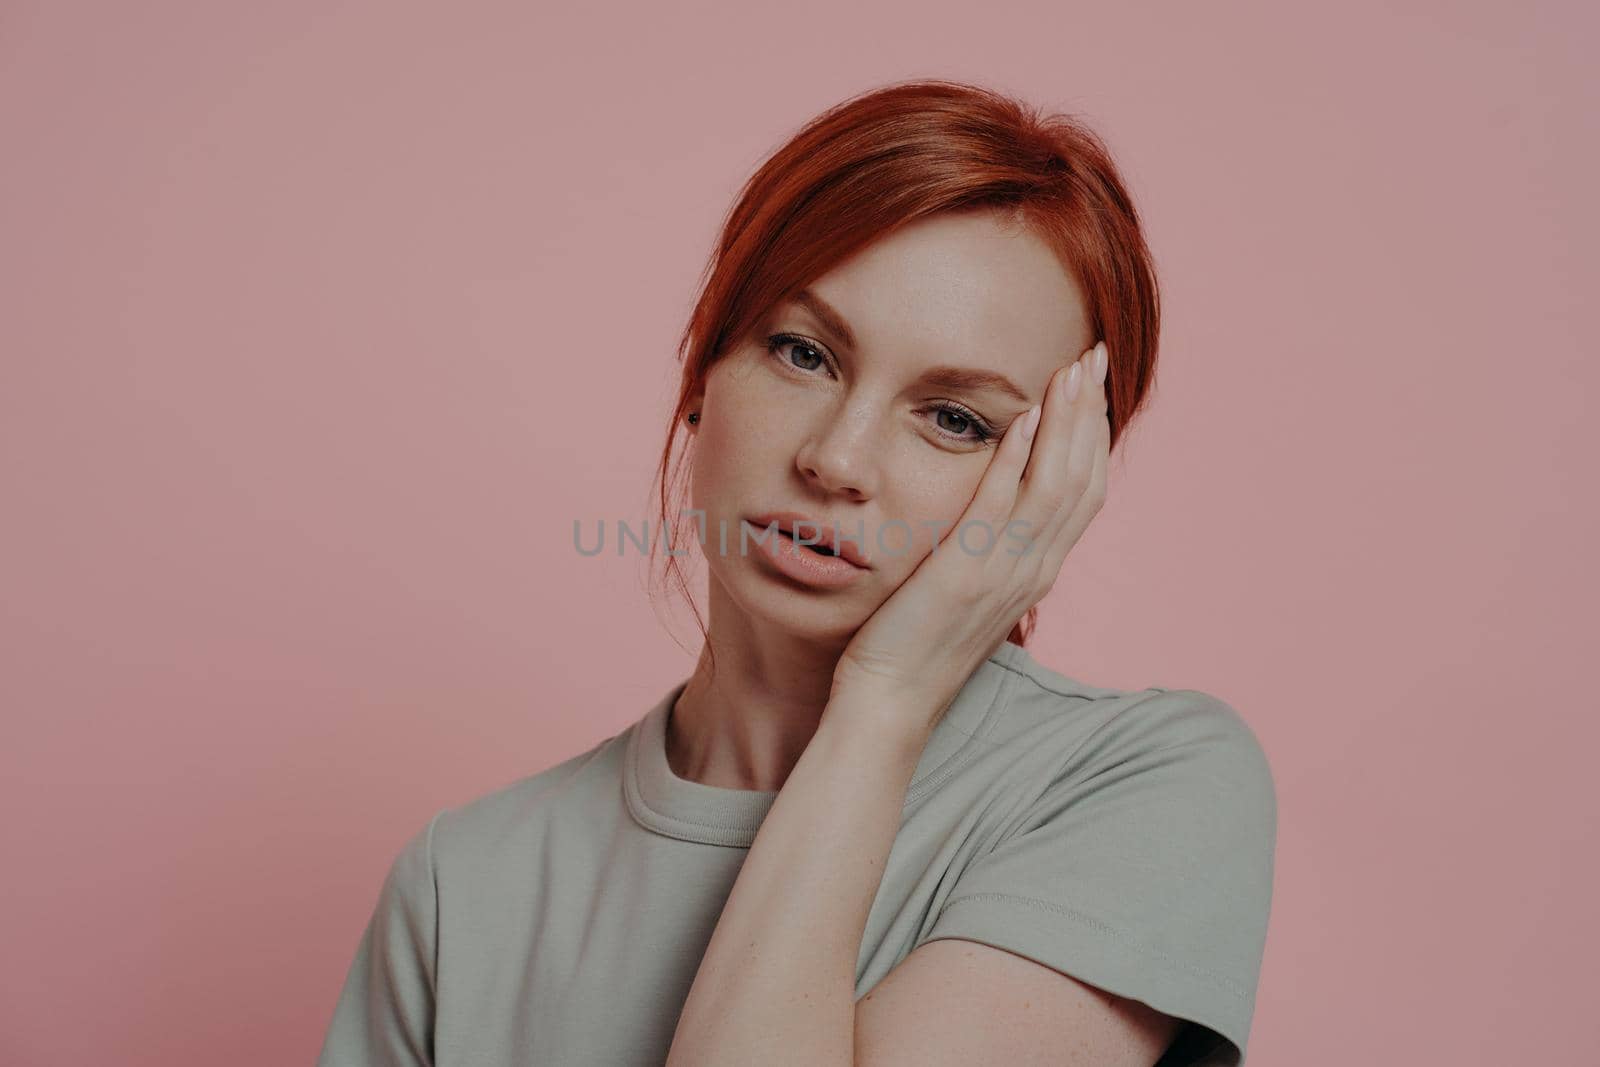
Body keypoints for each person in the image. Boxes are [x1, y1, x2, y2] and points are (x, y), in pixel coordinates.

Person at [315, 78, 1277, 1067]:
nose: (837, 460)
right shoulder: (462, 881)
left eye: (955, 418)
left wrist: (885, 699)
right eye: (801, 351)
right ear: (702, 367)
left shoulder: (1135, 782)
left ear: (1054, 480)